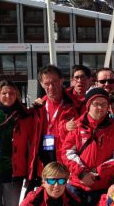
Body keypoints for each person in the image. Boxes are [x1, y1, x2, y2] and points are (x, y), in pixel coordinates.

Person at [63, 88, 114, 206]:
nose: (100, 108)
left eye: (104, 104)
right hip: (76, 186)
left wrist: (98, 174)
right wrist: (82, 173)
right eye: (96, 104)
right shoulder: (77, 126)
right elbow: (67, 153)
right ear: (88, 106)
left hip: (102, 186)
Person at [28, 65, 79, 194]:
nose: (51, 87)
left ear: (62, 81)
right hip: (43, 160)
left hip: (64, 160)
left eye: (55, 82)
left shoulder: (75, 104)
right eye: (47, 84)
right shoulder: (38, 107)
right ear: (41, 84)